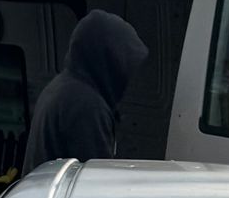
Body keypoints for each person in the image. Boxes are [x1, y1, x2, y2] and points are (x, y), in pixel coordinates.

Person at [23, 10, 147, 171]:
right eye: (125, 66)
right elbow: (96, 180)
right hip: (58, 195)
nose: (127, 77)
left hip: (42, 193)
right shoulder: (86, 105)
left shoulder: (63, 86)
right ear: (109, 61)